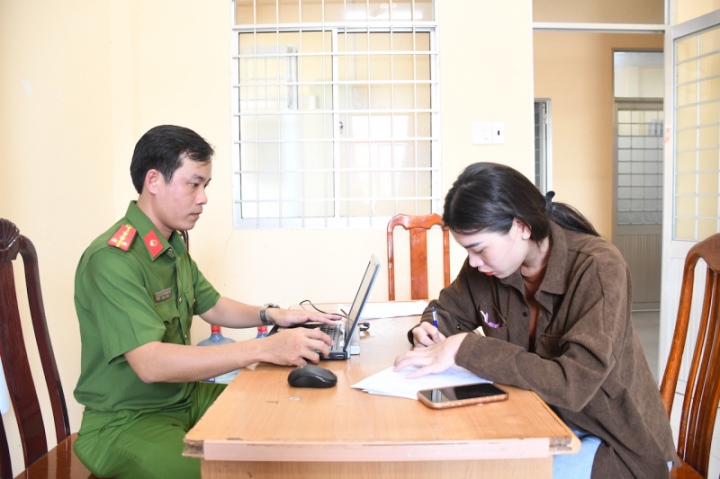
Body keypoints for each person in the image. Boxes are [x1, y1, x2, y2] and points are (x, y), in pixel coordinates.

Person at [73, 125, 340, 479]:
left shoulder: (171, 245)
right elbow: (150, 364)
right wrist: (262, 349)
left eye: (205, 186)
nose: (203, 198)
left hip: (184, 398)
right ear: (154, 181)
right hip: (127, 420)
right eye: (193, 184)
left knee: (282, 415)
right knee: (218, 470)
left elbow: (211, 304)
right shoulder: (113, 260)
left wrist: (274, 314)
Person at [393, 162, 677, 479]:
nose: (472, 262)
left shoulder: (597, 267)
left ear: (521, 227)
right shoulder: (488, 268)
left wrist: (467, 348)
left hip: (613, 440)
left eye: (479, 249)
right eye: (467, 251)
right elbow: (443, 309)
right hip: (543, 418)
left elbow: (573, 386)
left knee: (489, 472)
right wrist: (427, 328)